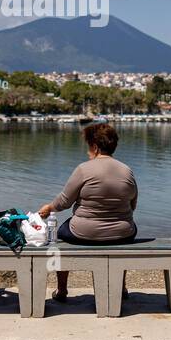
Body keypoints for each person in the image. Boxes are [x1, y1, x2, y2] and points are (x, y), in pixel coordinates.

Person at [37, 122, 138, 302]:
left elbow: (64, 201)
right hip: (123, 232)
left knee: (59, 235)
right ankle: (121, 287)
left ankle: (61, 290)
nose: (87, 151)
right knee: (126, 234)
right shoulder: (127, 170)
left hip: (85, 232)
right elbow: (133, 204)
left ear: (95, 147)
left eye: (88, 146)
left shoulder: (84, 169)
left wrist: (49, 207)